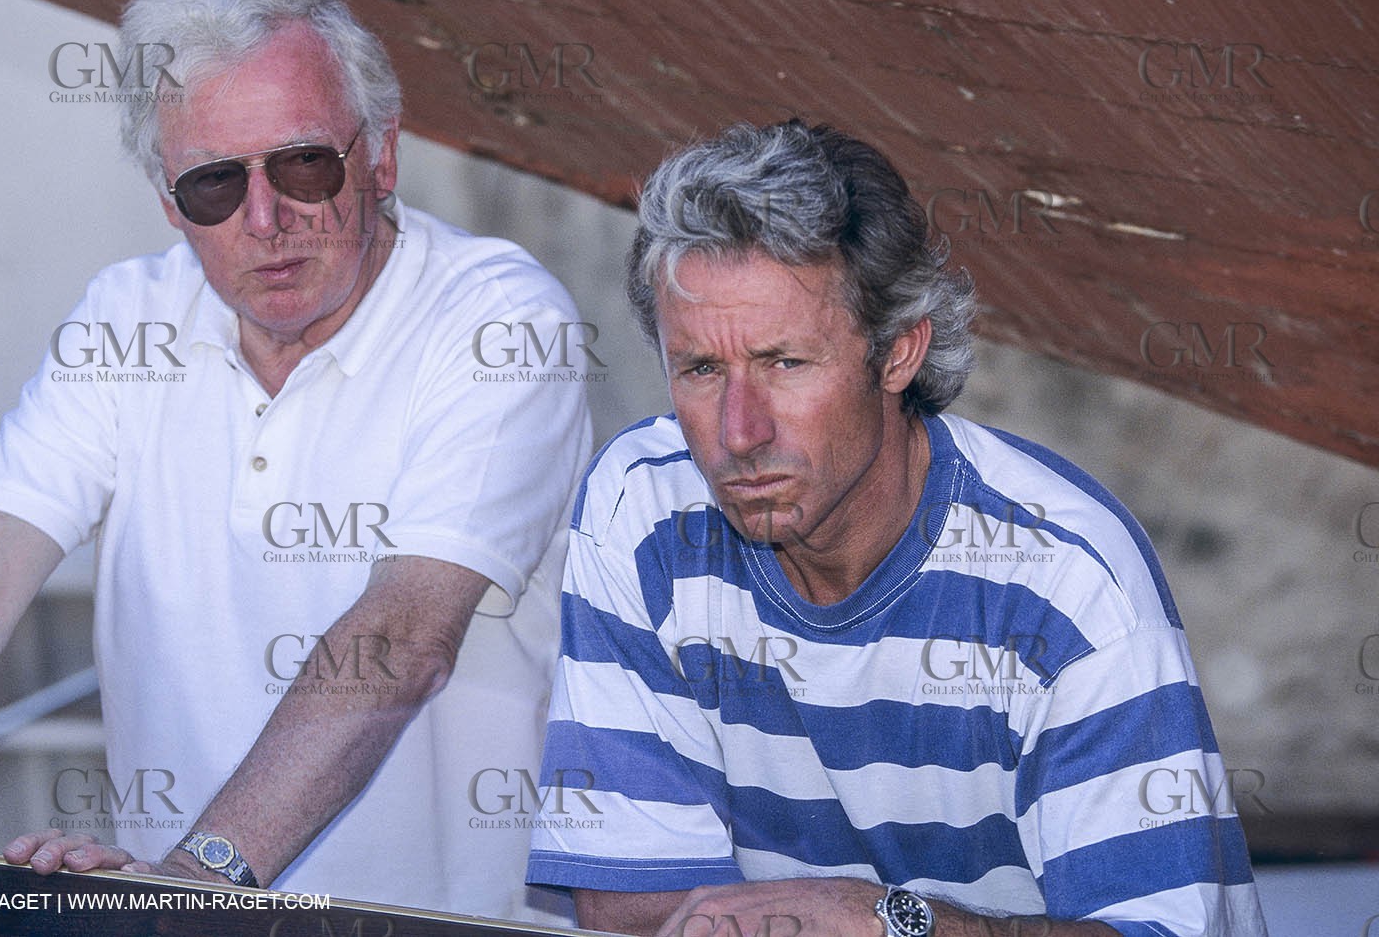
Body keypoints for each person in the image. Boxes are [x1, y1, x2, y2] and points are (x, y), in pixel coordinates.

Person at [0, 0, 591, 924]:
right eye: (214, 184)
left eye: (303, 163)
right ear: (168, 201)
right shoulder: (125, 317)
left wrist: (192, 878)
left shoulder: (499, 321)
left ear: (381, 155)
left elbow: (404, 635)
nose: (266, 218)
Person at [525, 121, 1267, 937]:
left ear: (899, 353)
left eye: (785, 362)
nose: (739, 431)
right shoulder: (642, 512)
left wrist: (891, 923)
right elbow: (634, 907)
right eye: (701, 369)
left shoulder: (1066, 581)